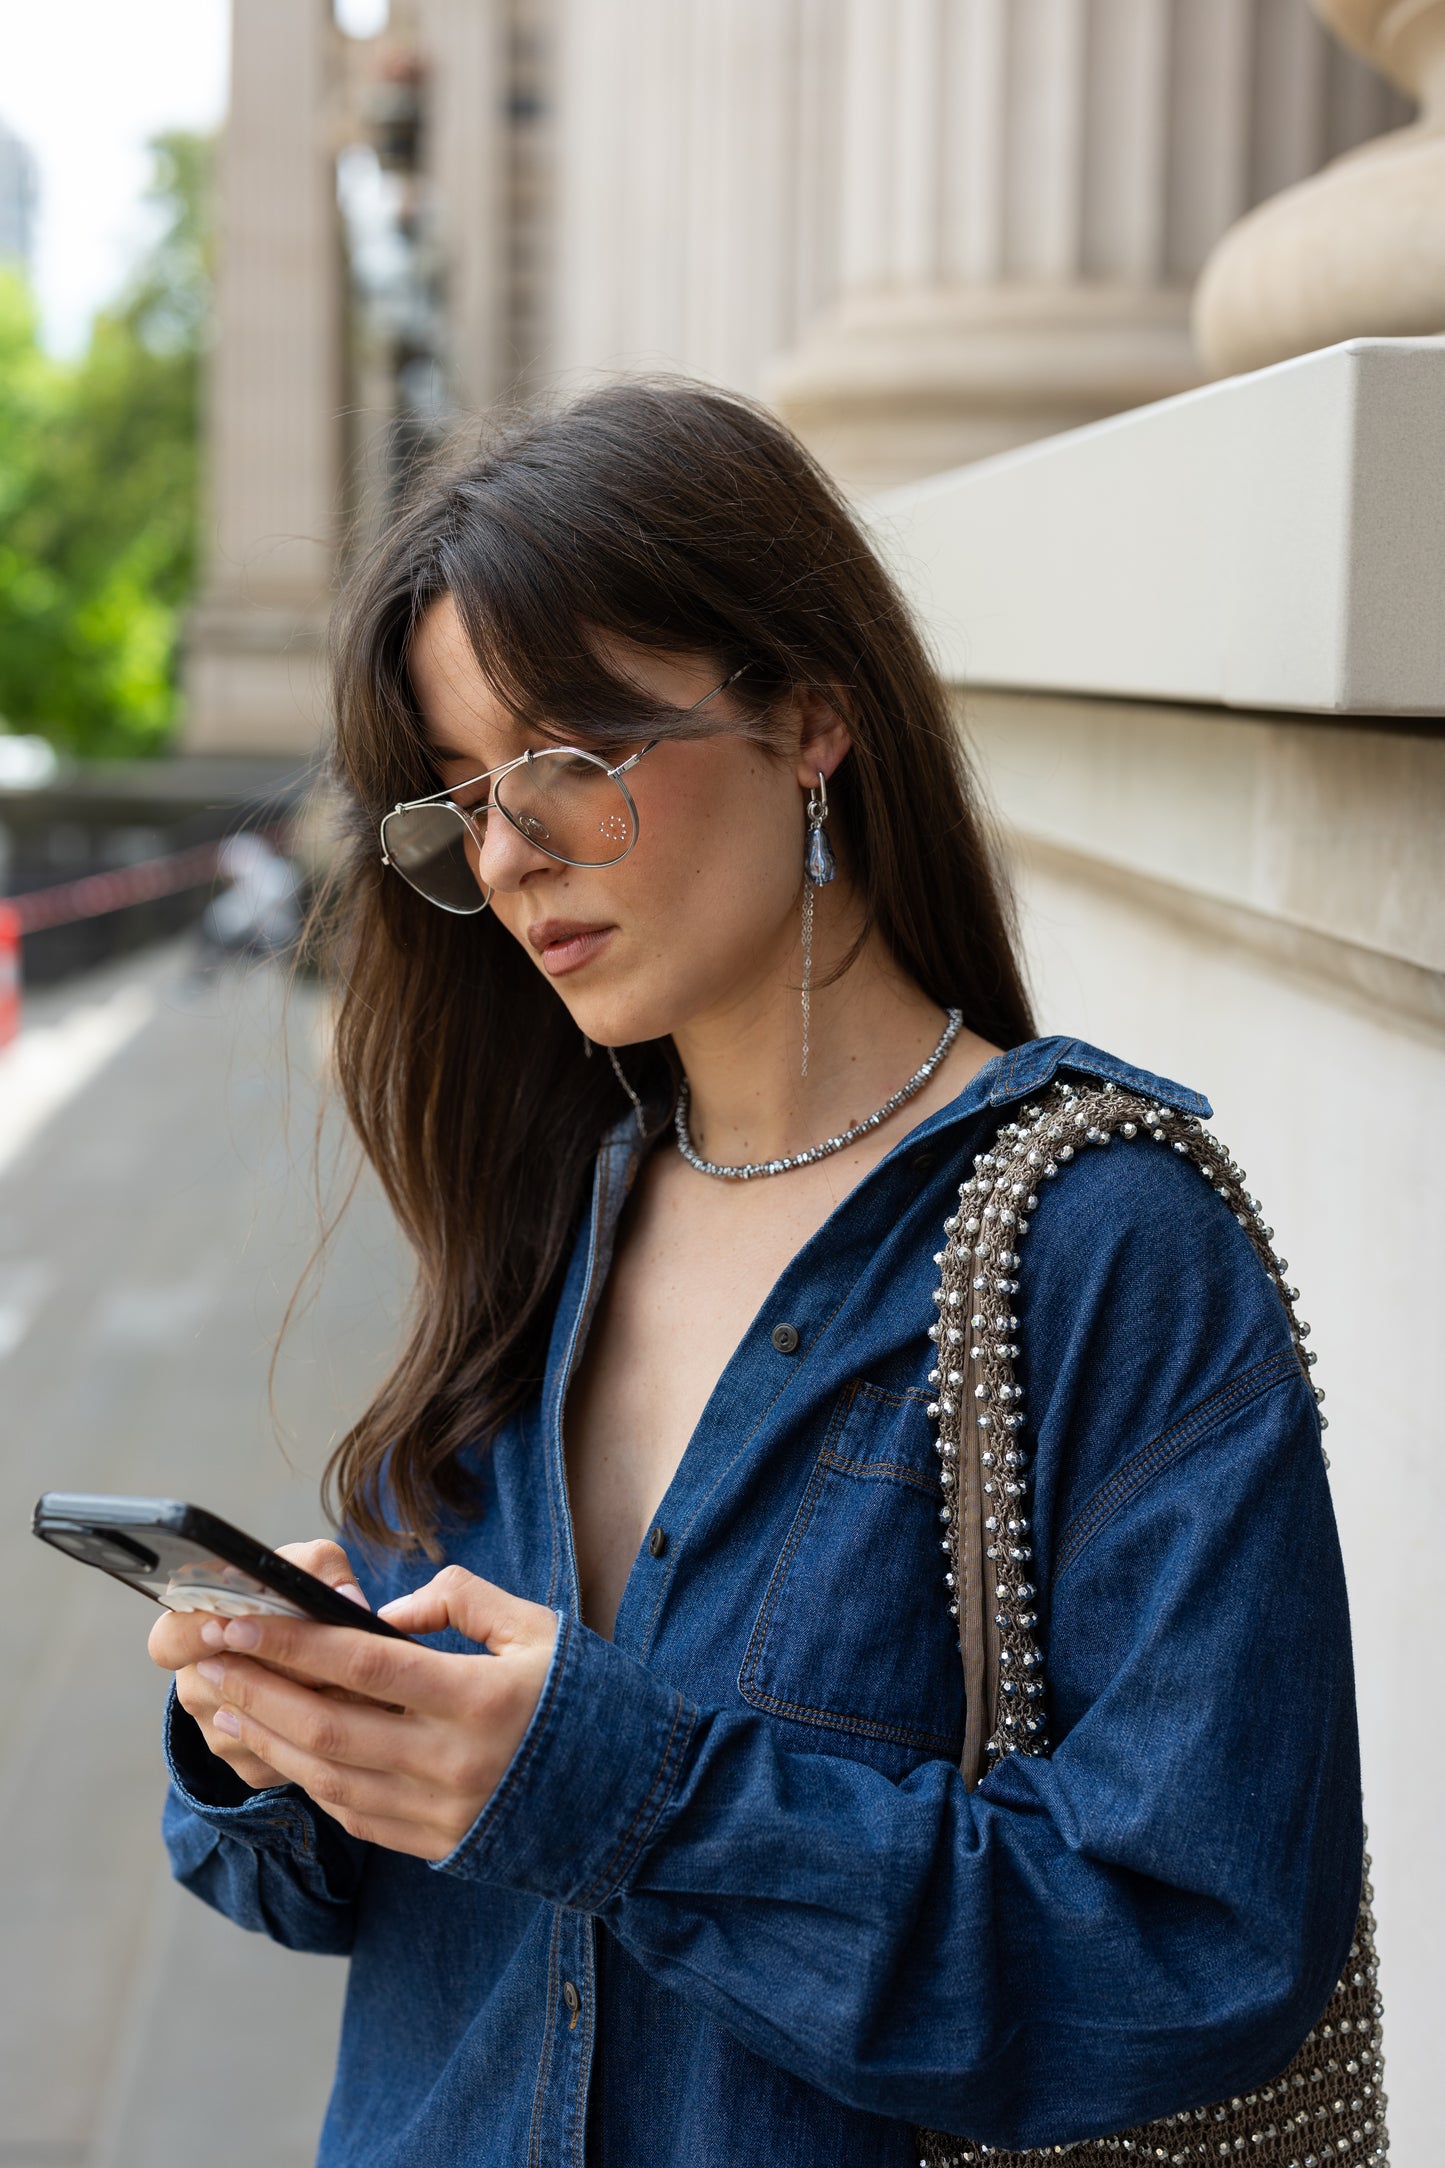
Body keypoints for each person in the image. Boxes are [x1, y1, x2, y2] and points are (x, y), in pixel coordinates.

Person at [149, 382, 1361, 2167]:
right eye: (461, 797)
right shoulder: (545, 1207)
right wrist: (278, 1746)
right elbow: (366, 1905)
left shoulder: (1095, 1238)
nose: (506, 855)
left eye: (572, 759)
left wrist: (611, 1795)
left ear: (807, 719)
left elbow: (1200, 1949)